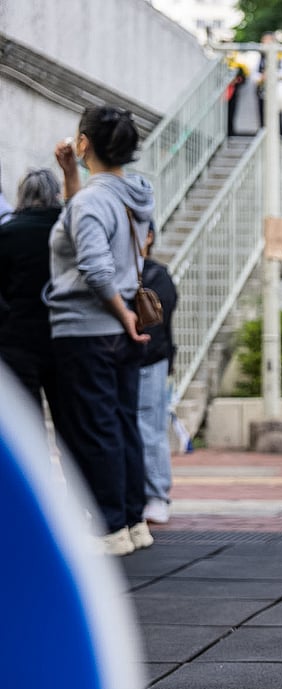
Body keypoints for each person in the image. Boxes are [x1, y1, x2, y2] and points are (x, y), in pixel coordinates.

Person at [46, 105, 155, 556]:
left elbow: (93, 266)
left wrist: (117, 309)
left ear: (84, 142)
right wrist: (72, 175)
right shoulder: (134, 193)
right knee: (123, 424)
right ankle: (133, 520)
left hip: (87, 330)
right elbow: (85, 222)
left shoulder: (94, 200)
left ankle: (108, 527)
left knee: (95, 429)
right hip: (121, 329)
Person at [0, 169, 65, 424]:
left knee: (28, 422)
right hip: (62, 336)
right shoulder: (67, 229)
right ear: (55, 194)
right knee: (69, 421)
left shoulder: (8, 234)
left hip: (17, 341)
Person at [137, 221, 178, 525]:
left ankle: (156, 495)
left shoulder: (156, 274)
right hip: (123, 361)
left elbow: (156, 319)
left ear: (149, 236)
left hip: (149, 361)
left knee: (150, 428)